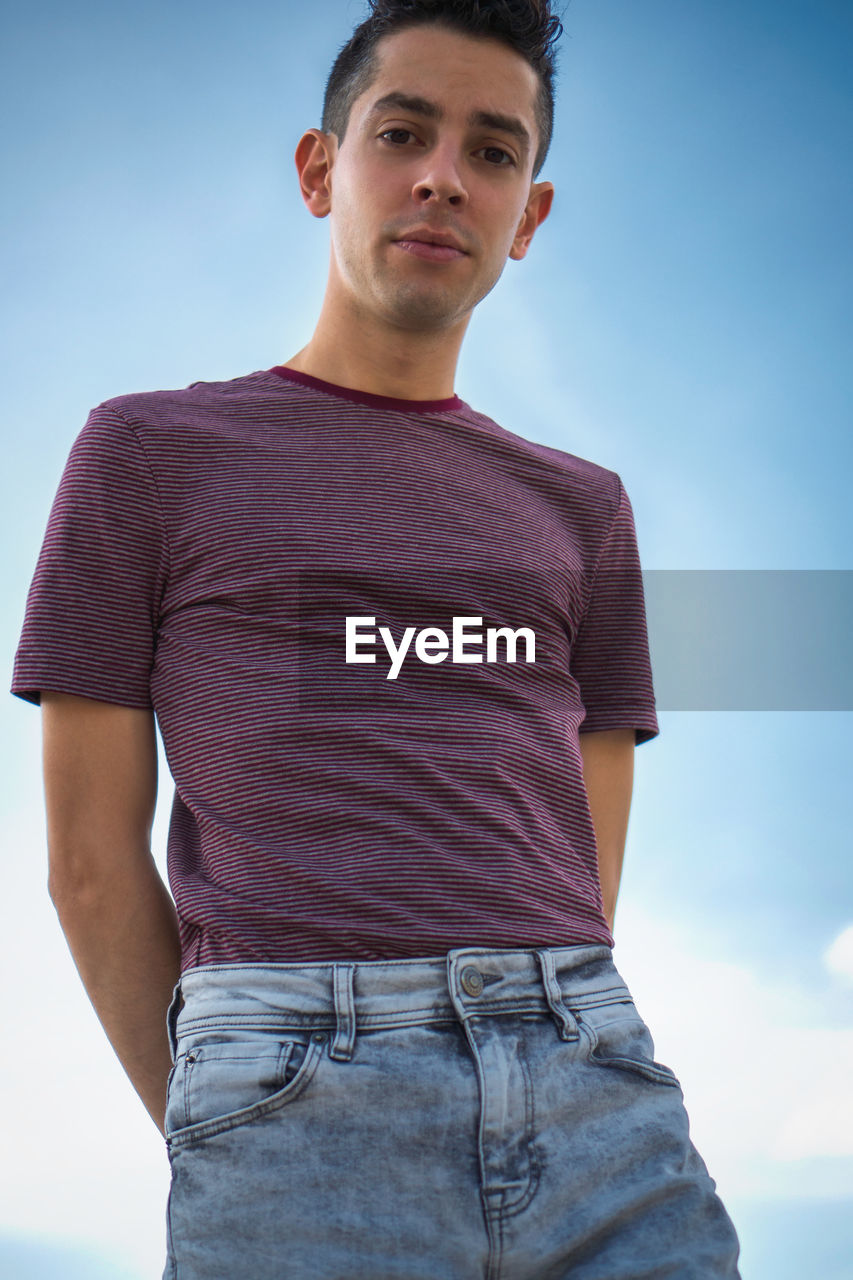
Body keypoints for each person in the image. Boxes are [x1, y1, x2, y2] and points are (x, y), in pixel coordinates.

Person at [10, 1, 743, 1276]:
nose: (443, 177)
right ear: (319, 169)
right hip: (291, 1093)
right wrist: (219, 1108)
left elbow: (583, 860)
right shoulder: (145, 452)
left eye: (494, 152)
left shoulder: (586, 504)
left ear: (530, 214)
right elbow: (86, 859)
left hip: (595, 1089)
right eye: (402, 131)